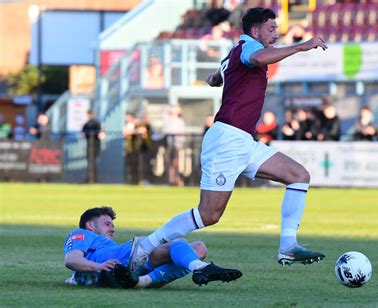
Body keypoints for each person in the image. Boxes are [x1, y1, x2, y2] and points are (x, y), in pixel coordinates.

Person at [129, 7, 328, 272]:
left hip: (244, 141)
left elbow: (219, 74)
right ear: (255, 30)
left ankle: (288, 246)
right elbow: (255, 58)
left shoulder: (236, 52)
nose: (276, 34)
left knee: (299, 175)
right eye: (271, 29)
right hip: (227, 140)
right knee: (208, 215)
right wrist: (301, 46)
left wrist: (215, 77)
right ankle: (144, 247)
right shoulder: (249, 48)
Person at [64, 206, 241, 288]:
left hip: (126, 266)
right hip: (123, 257)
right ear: (90, 225)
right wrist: (98, 266)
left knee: (199, 249)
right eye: (107, 224)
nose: (113, 228)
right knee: (177, 244)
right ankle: (201, 268)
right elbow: (71, 259)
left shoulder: (107, 244)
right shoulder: (82, 234)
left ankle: (142, 282)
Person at [82, 110, 105, 183]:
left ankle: (93, 178)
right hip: (89, 145)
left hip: (95, 145)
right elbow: (82, 133)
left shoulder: (96, 124)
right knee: (90, 162)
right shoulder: (86, 124)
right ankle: (90, 178)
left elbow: (101, 134)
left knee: (93, 162)